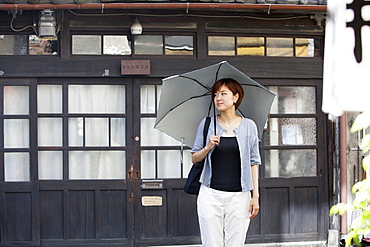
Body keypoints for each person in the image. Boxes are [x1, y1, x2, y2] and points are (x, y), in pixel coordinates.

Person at [191, 78, 261, 247]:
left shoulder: (249, 126)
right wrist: (208, 147)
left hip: (239, 196)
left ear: (235, 97)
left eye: (223, 94)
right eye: (215, 95)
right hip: (210, 194)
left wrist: (255, 196)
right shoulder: (207, 124)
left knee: (235, 243)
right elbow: (195, 158)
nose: (218, 98)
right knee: (211, 243)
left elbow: (254, 161)